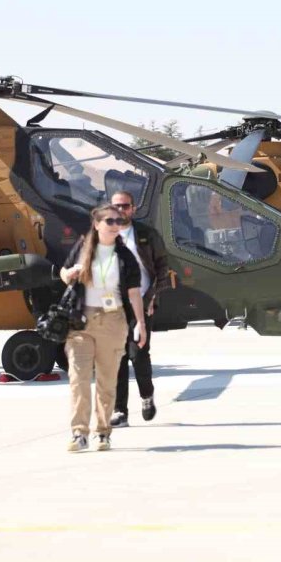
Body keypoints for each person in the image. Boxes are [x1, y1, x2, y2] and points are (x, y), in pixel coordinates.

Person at [60, 204, 146, 452]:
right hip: (81, 321)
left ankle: (103, 431)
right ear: (96, 224)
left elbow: (133, 293)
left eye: (119, 221)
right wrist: (71, 273)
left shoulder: (125, 256)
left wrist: (140, 323)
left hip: (113, 321)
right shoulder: (83, 248)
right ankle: (79, 433)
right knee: (79, 379)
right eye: (110, 221)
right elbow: (64, 273)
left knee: (107, 381)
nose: (115, 225)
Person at [108, 191, 171, 428]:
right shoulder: (104, 236)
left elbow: (162, 267)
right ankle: (119, 410)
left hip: (141, 304)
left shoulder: (146, 235)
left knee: (138, 355)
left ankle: (146, 396)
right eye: (116, 206)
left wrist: (153, 298)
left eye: (125, 206)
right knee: (118, 358)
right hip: (112, 307)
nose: (121, 210)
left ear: (133, 208)